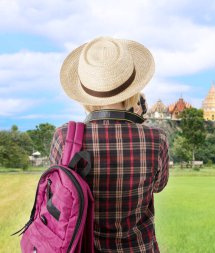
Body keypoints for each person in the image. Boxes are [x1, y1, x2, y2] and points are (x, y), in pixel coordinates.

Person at [50, 36, 169, 252]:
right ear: (133, 90)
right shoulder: (155, 138)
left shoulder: (64, 137)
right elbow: (158, 186)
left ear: (84, 93)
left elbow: (57, 196)